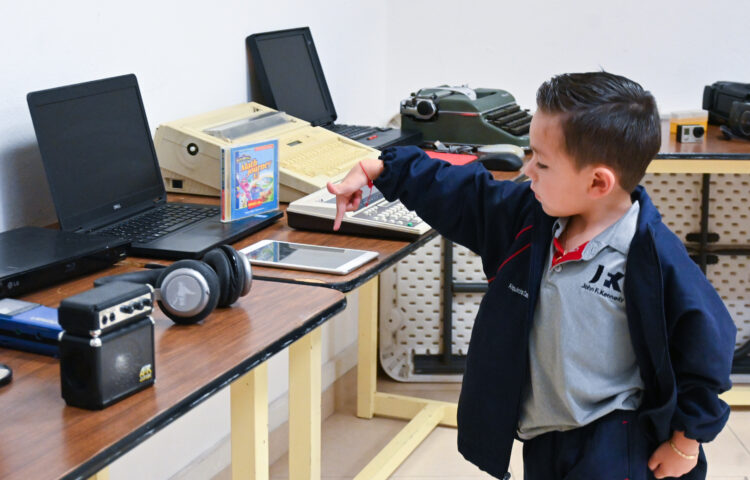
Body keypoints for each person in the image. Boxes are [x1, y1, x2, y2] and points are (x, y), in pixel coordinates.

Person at [327, 72, 736, 479]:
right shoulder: (530, 217)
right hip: (543, 435)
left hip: (614, 440)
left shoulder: (652, 256)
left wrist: (686, 442)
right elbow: (465, 194)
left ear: (597, 181)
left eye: (541, 162)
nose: (528, 170)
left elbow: (705, 345)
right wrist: (381, 168)